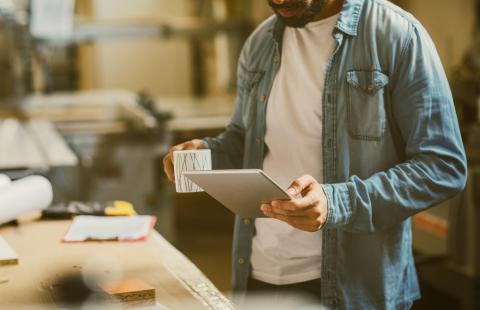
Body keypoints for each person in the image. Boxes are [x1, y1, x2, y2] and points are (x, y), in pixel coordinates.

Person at [163, 0, 467, 308]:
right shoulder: (260, 43)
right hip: (258, 276)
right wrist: (207, 153)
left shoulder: (397, 35)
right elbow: (246, 142)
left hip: (352, 290)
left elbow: (442, 166)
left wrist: (336, 202)